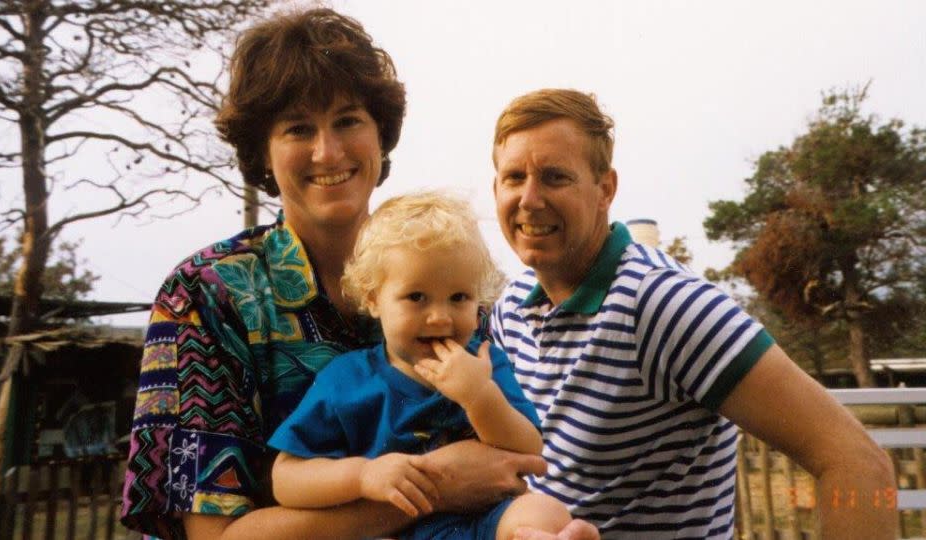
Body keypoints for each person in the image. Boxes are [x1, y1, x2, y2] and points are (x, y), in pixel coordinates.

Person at [120, 10, 549, 540]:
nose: (328, 151)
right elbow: (212, 535)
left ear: (380, 134)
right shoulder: (207, 296)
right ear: (262, 152)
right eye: (299, 128)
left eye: (348, 120)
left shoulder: (451, 285)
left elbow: (509, 470)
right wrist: (432, 490)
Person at [489, 88, 897, 539]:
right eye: (513, 178)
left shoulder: (663, 304)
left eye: (554, 177)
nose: (529, 199)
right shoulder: (510, 307)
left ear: (605, 189)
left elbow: (857, 461)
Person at [267, 193, 573, 540]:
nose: (440, 317)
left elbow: (529, 449)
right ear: (373, 299)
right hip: (393, 530)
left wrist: (479, 397)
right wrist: (363, 476)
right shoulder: (346, 380)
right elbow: (286, 479)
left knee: (545, 511)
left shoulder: (484, 363)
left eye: (459, 297)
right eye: (416, 297)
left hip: (487, 522)